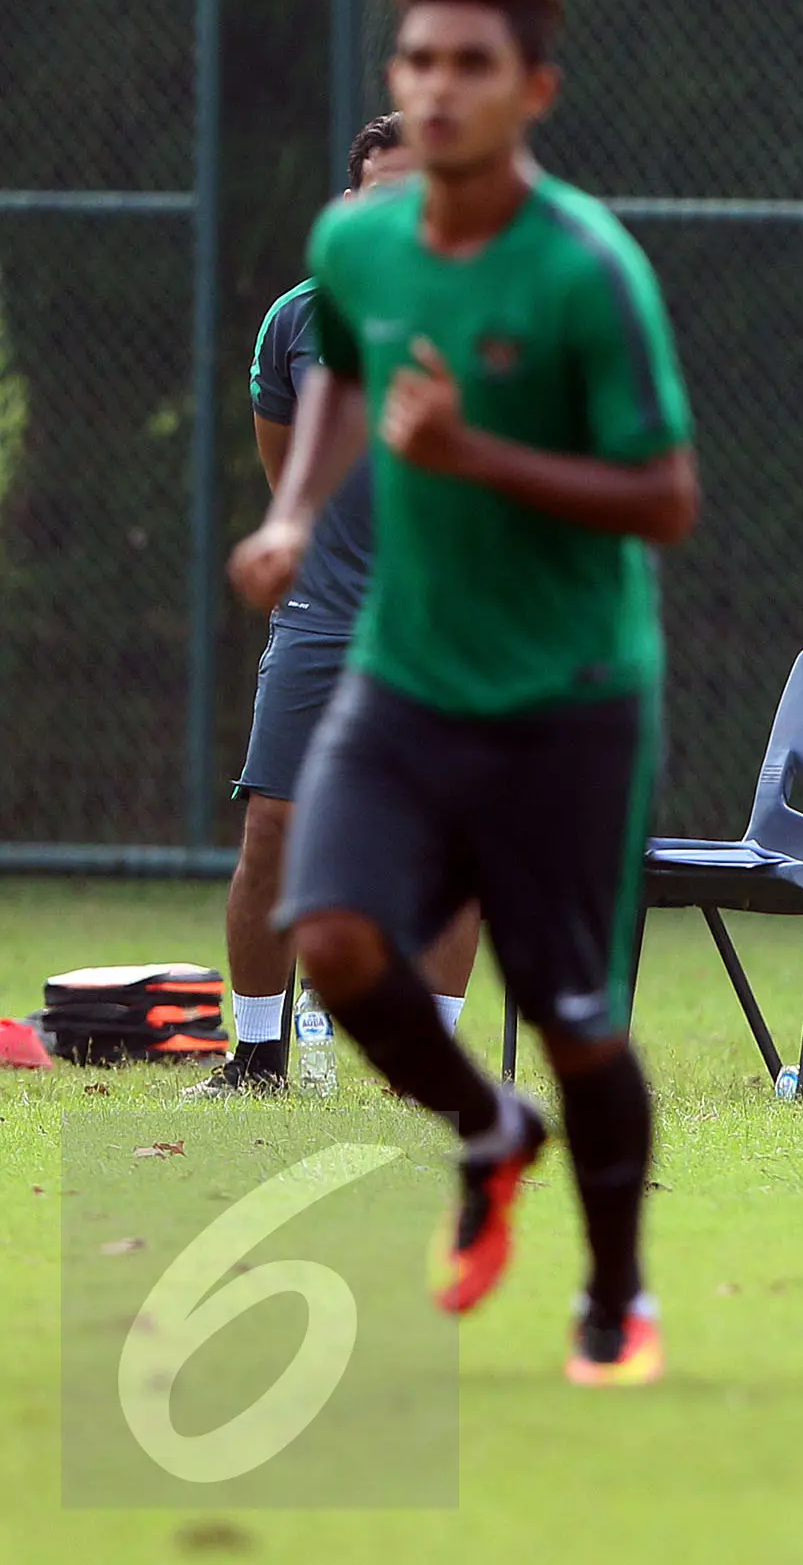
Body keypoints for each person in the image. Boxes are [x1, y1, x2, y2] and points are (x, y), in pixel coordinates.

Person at [227, 0, 702, 1383]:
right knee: (333, 931)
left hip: (567, 689)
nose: (437, 86)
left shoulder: (585, 268)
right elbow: (345, 381)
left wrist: (473, 454)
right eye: (416, 61)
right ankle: (489, 1130)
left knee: (575, 1019)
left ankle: (614, 1292)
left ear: (532, 91)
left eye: (470, 65)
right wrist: (296, 510)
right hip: (405, 665)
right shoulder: (356, 246)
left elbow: (667, 500)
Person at [192, 115, 482, 1099]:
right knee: (272, 826)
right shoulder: (297, 320)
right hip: (322, 612)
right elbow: (288, 469)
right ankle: (257, 1057)